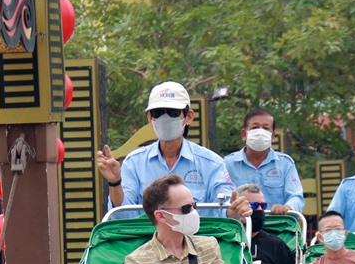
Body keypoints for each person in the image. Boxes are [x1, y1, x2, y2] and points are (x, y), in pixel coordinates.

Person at [96, 80, 251, 219]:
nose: (165, 118)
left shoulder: (211, 163)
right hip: (147, 245)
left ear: (189, 116)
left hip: (199, 245)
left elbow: (223, 210)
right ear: (150, 118)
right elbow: (123, 217)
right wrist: (115, 182)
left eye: (173, 112)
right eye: (158, 113)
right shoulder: (134, 162)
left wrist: (233, 211)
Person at [224, 110, 305, 214]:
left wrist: (288, 207)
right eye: (255, 128)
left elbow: (296, 196)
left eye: (266, 128)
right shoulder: (228, 164)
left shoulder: (285, 164)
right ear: (244, 134)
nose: (260, 132)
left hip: (275, 225)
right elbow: (222, 197)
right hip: (241, 224)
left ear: (272, 136)